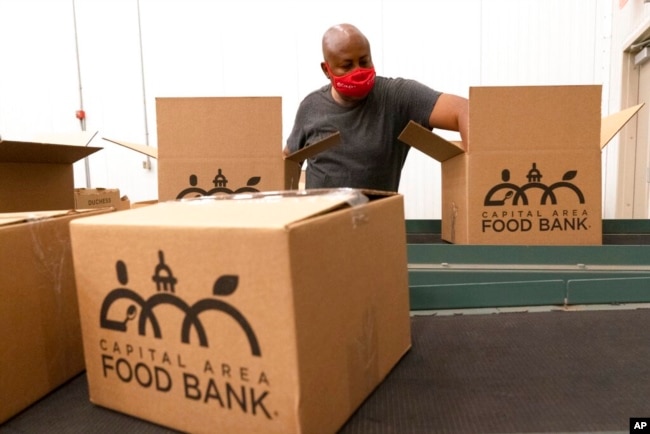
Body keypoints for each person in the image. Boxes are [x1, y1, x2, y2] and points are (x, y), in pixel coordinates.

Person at [283, 23, 469, 192]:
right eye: (347, 66)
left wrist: (479, 173)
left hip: (375, 222)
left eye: (364, 61)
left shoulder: (395, 98)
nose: (358, 71)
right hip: (320, 223)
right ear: (326, 70)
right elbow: (287, 164)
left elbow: (464, 109)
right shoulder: (311, 107)